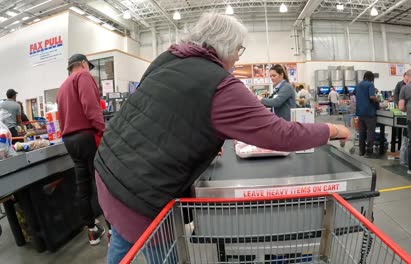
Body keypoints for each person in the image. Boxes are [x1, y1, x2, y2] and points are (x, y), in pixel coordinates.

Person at [94, 13, 351, 263]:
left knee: (122, 238)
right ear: (226, 47)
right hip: (142, 193)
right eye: (239, 49)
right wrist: (332, 130)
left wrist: (201, 140)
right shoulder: (220, 84)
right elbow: (280, 134)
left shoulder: (168, 58)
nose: (239, 57)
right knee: (162, 250)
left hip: (108, 166)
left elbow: (158, 111)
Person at [57, 54, 107, 245]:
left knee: (83, 186)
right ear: (84, 64)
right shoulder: (83, 77)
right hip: (87, 137)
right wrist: (103, 131)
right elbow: (91, 107)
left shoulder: (62, 86)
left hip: (69, 140)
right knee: (102, 184)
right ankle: (112, 231)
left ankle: (92, 231)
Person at [355, 71, 379, 158]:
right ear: (371, 78)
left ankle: (361, 151)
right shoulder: (370, 84)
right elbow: (372, 97)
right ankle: (369, 152)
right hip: (369, 113)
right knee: (370, 133)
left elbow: (355, 95)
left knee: (362, 132)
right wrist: (378, 99)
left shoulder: (358, 85)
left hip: (360, 112)